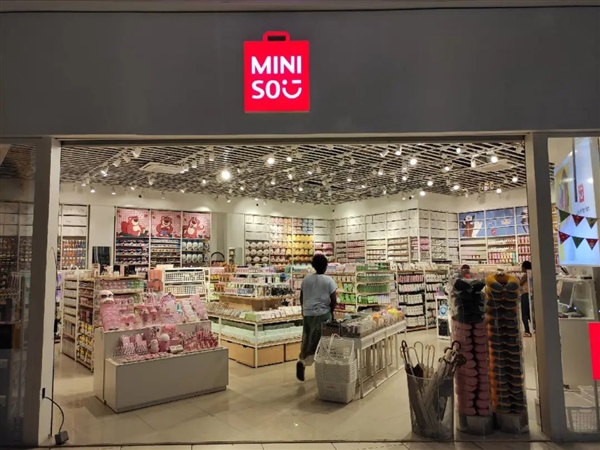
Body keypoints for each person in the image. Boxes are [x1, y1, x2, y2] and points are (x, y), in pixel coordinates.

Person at [296, 253, 337, 382]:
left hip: (308, 314)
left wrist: (304, 309)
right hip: (322, 314)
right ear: (326, 266)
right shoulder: (328, 280)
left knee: (307, 338)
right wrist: (331, 312)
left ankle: (302, 360)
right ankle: (322, 368)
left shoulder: (306, 279)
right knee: (322, 342)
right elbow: (333, 300)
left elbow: (301, 297)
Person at [520, 261, 532, 337]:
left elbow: (520, 283)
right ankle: (535, 329)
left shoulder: (526, 275)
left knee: (524, 314)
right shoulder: (533, 274)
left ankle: (527, 331)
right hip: (531, 295)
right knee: (530, 313)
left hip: (525, 294)